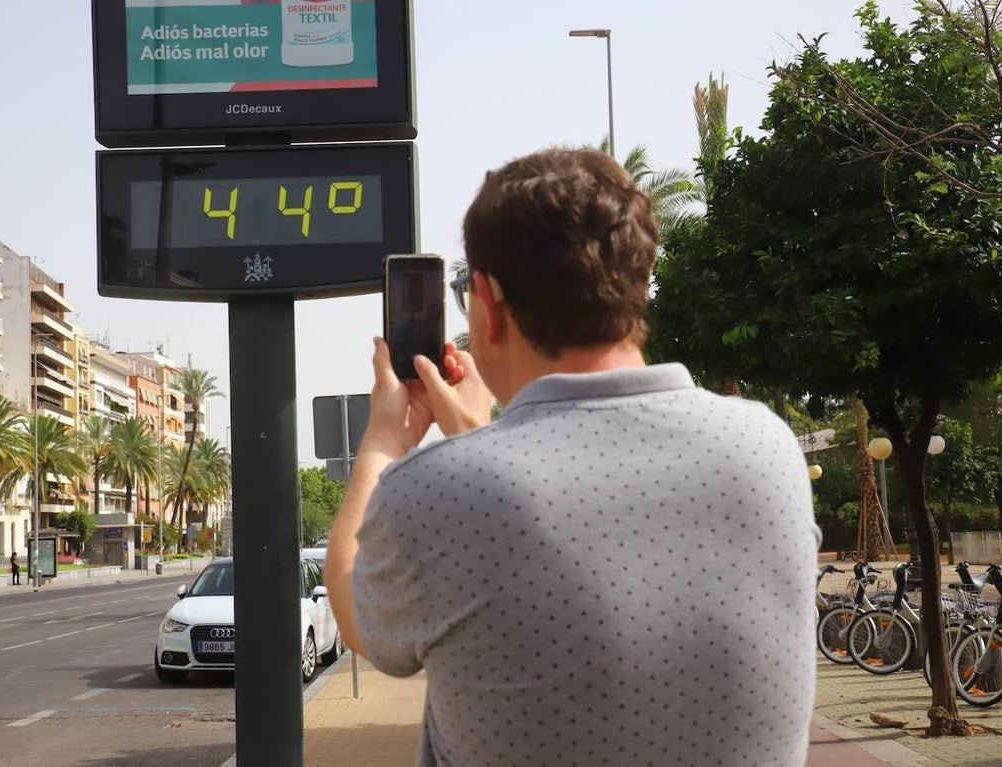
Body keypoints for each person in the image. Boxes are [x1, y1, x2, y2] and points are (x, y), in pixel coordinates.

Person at [325, 148, 820, 766]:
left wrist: (382, 442)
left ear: (487, 301)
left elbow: (354, 614)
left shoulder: (437, 490)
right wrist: (479, 437)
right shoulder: (764, 449)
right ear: (636, 287)